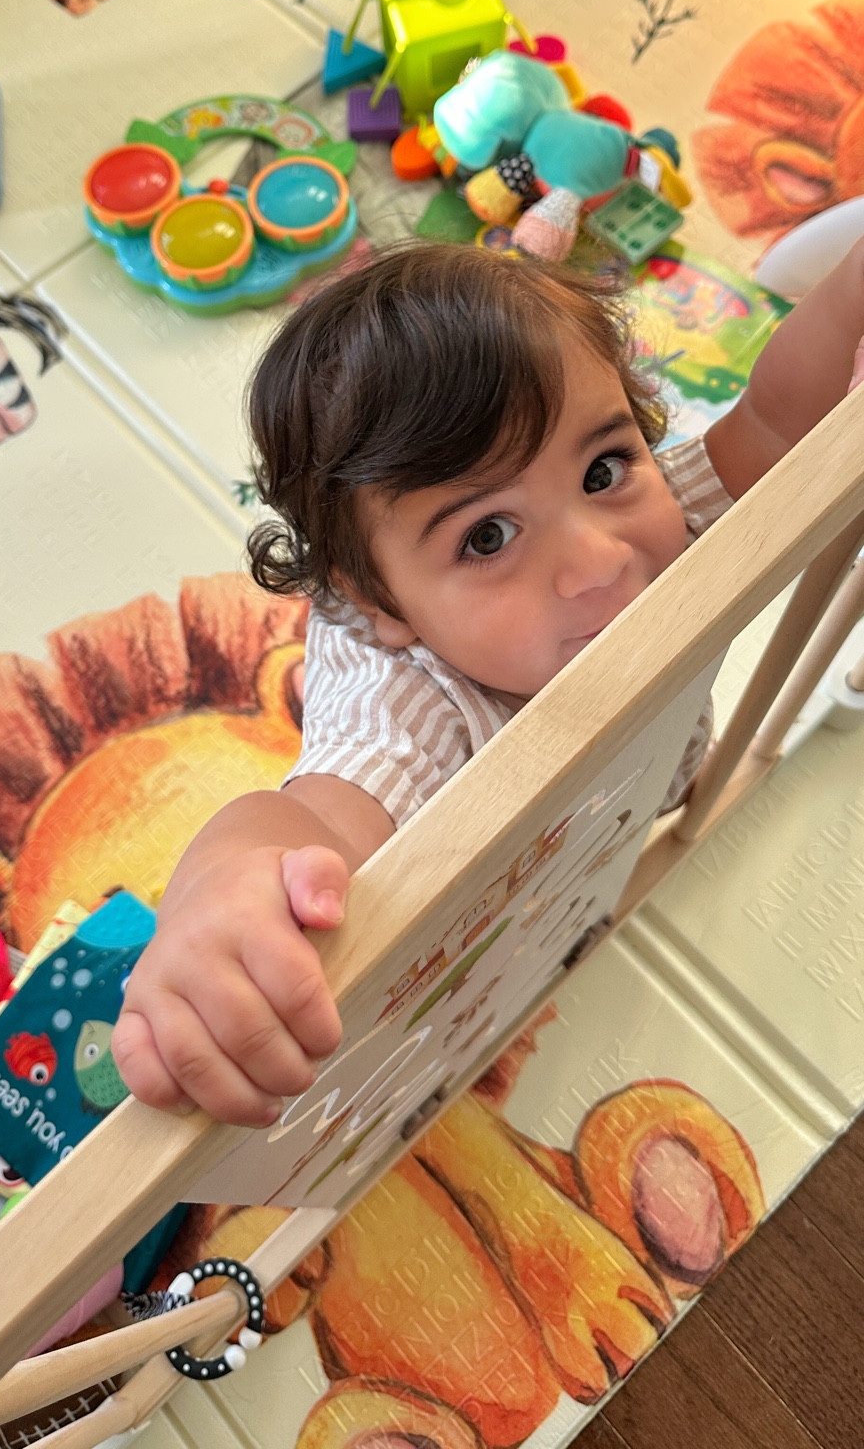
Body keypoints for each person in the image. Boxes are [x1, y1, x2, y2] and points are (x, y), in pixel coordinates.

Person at [113, 239, 864, 1127]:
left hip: (621, 818)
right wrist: (226, 896)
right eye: (486, 537)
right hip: (497, 927)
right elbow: (311, 821)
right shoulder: (413, 709)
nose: (598, 559)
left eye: (600, 468)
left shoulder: (655, 517)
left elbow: (777, 421)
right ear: (380, 600)